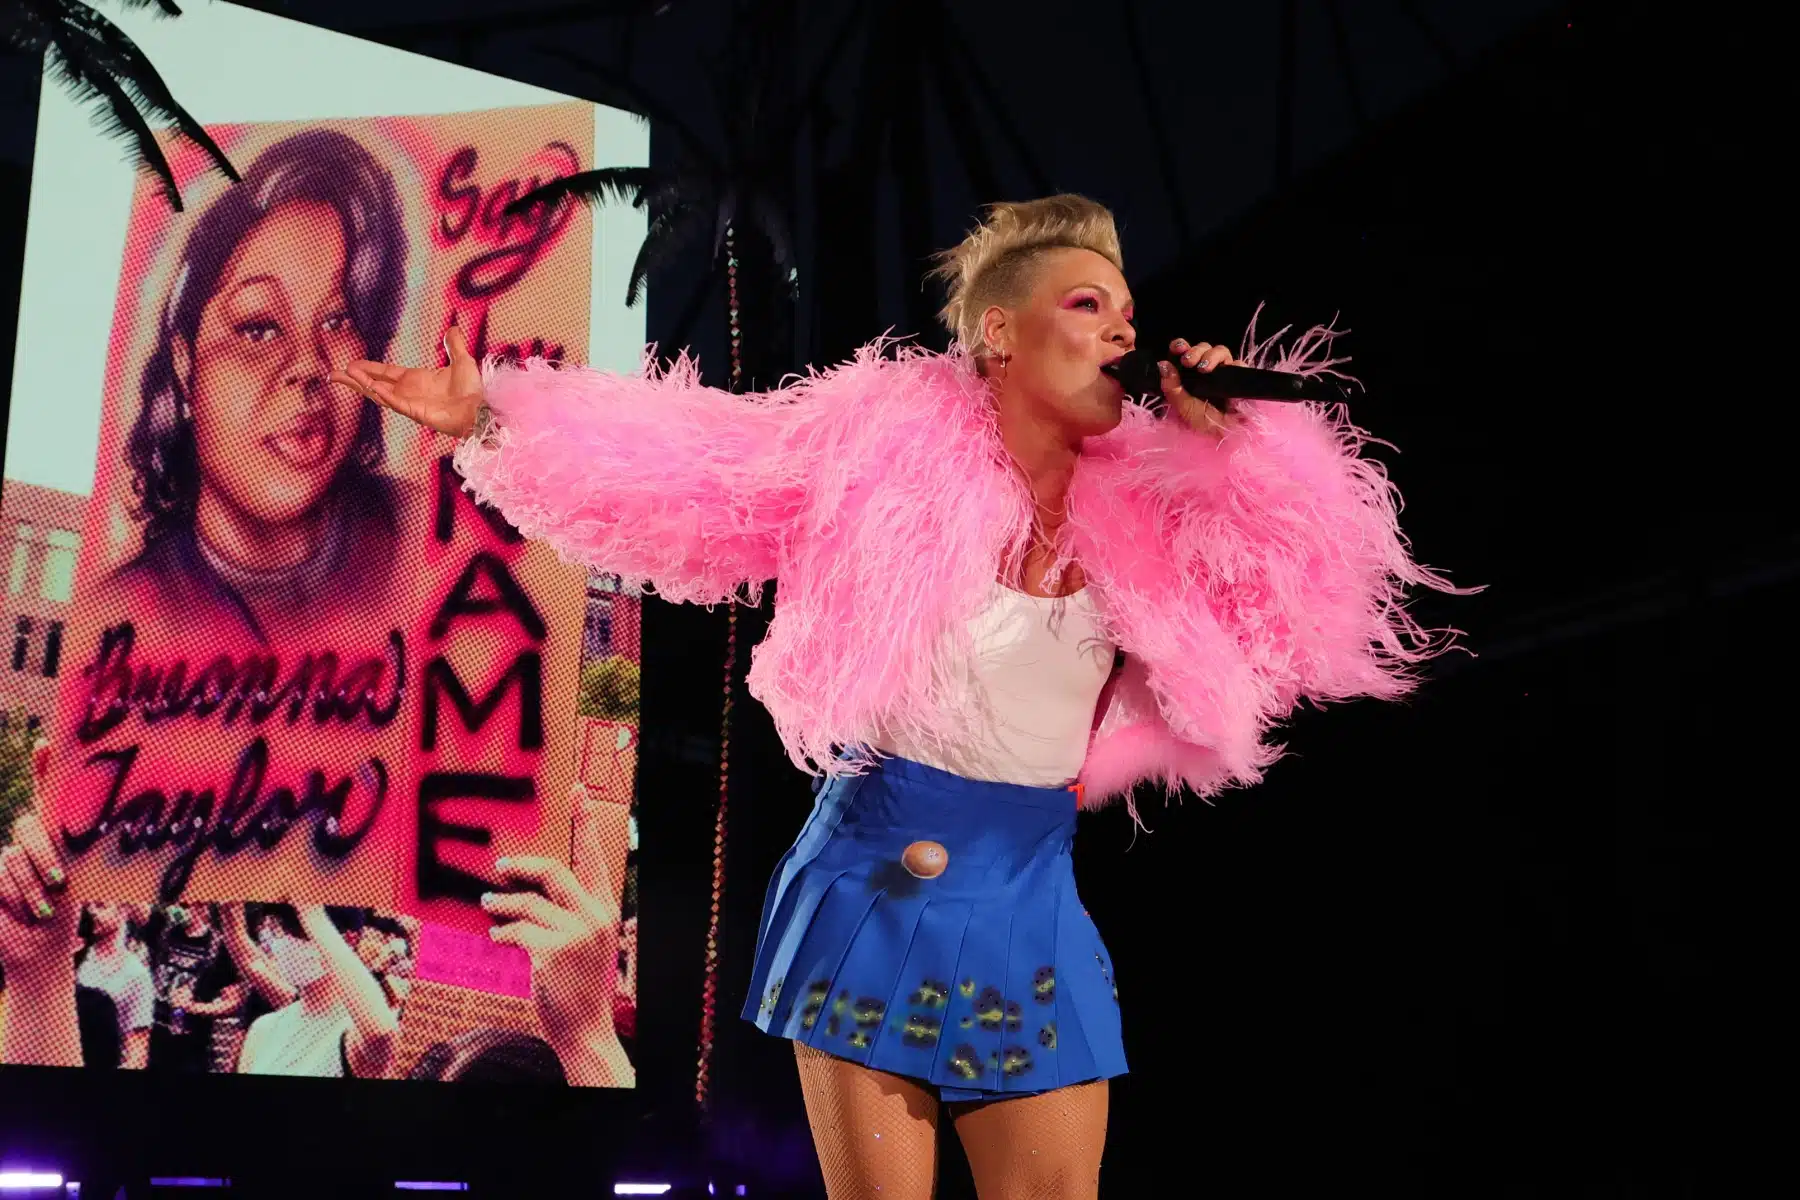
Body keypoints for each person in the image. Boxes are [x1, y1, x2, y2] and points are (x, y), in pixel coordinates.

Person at [338, 195, 1460, 1198]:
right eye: (1088, 305)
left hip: (1031, 895)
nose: (1126, 331)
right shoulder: (881, 446)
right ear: (999, 334)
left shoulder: (1149, 500)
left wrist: (1238, 456)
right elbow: (700, 465)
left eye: (1128, 311)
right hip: (876, 886)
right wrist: (496, 419)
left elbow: (1298, 619)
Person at [97, 127, 415, 648]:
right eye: (259, 328)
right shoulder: (124, 616)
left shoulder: (435, 546)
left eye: (339, 321)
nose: (309, 365)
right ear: (185, 367)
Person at [234, 904, 400, 1078]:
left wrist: (311, 913)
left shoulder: (350, 1032)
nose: (284, 940)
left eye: (296, 929)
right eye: (277, 927)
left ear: (347, 939)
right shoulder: (263, 1029)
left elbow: (381, 1032)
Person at [144, 901, 244, 1073]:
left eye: (185, 905)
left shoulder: (218, 946)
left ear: (202, 906)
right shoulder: (165, 934)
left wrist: (194, 1007)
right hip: (153, 1040)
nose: (180, 909)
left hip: (190, 1048)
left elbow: (234, 1002)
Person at [75, 901, 155, 1068]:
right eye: (89, 905)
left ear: (122, 912)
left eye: (101, 906)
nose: (92, 912)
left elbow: (137, 1054)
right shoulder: (74, 956)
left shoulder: (136, 975)